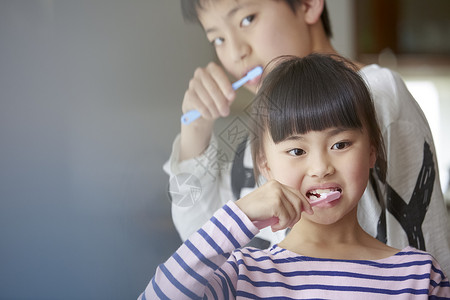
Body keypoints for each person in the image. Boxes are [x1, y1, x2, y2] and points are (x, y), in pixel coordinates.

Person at [164, 0, 450, 275]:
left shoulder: (377, 93)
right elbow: (197, 234)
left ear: (309, 4)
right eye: (218, 40)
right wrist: (196, 128)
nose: (235, 52)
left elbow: (424, 248)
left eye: (247, 19)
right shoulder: (261, 136)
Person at [143, 54, 450, 299]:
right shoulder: (243, 274)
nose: (320, 168)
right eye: (296, 151)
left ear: (372, 151)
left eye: (340, 144)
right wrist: (240, 214)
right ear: (265, 164)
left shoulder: (418, 276)